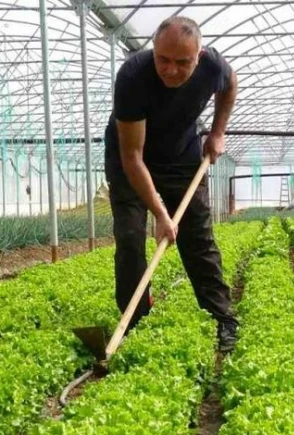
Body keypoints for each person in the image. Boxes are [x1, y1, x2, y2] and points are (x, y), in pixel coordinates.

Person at [104, 15, 240, 352]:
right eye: (163, 59)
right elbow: (133, 158)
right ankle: (135, 323)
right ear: (153, 50)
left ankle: (222, 319)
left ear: (199, 57)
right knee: (132, 236)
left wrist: (218, 132)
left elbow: (230, 84)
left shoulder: (213, 67)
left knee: (197, 236)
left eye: (183, 62)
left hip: (181, 155)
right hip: (131, 158)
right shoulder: (134, 77)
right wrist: (161, 213)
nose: (171, 69)